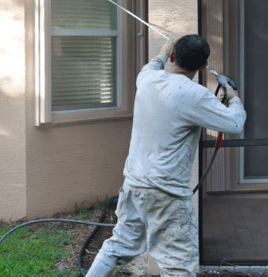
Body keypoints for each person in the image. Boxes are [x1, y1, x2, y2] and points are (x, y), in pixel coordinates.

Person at [86, 35, 247, 277]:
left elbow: (153, 66)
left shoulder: (147, 79)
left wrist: (162, 52)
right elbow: (235, 124)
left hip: (134, 187)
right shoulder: (197, 95)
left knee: (117, 247)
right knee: (177, 265)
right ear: (203, 66)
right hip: (167, 196)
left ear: (173, 56)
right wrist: (234, 99)